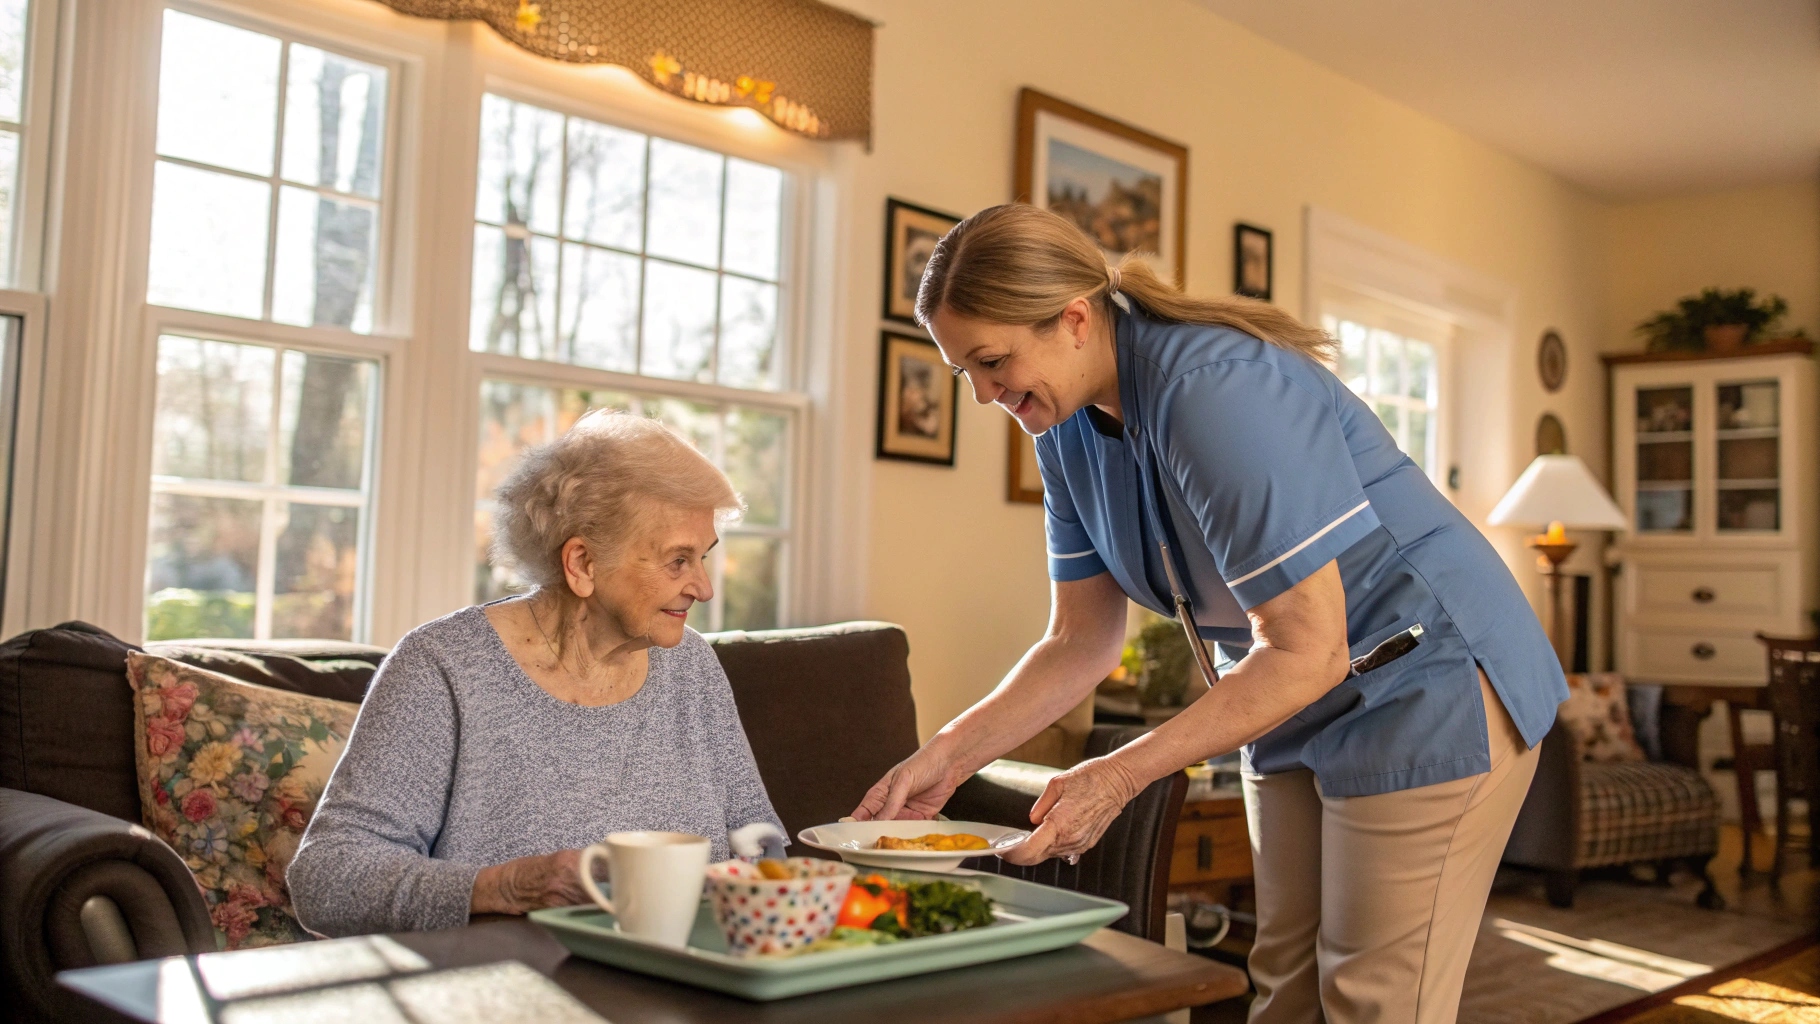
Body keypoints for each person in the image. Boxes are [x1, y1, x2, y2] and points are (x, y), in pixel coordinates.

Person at [853, 204, 1565, 1024]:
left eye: (991, 361)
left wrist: (1118, 774)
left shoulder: (1215, 388)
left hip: (1426, 682)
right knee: (1286, 986)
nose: (983, 394)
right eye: (962, 372)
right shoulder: (1064, 428)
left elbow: (1307, 646)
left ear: (1073, 320)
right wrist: (947, 756)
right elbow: (1079, 641)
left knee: (1373, 1000)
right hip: (1293, 691)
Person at [289, 412, 781, 936]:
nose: (703, 589)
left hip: (690, 985)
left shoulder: (692, 666)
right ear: (583, 564)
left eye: (703, 557)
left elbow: (757, 841)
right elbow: (327, 878)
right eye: (678, 561)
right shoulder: (443, 669)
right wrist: (504, 888)